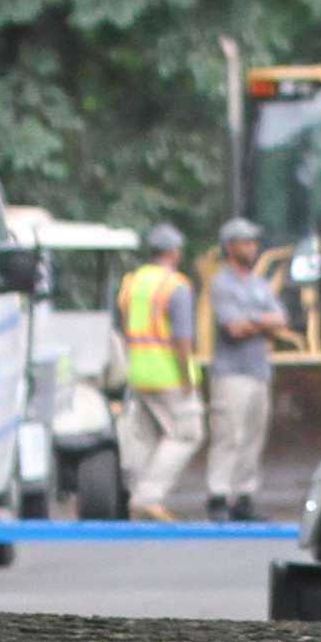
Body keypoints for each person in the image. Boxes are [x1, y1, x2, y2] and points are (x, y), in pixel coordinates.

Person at [113, 221, 205, 520]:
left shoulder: (132, 282)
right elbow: (182, 338)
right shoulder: (175, 286)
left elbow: (122, 326)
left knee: (147, 436)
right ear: (174, 252)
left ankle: (138, 493)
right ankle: (148, 496)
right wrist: (187, 376)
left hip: (138, 370)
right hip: (168, 373)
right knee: (187, 434)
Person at [200, 216, 282, 522]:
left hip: (259, 370)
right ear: (230, 246)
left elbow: (281, 320)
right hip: (232, 372)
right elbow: (232, 327)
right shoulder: (222, 283)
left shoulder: (259, 283)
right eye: (246, 242)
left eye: (253, 242)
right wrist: (263, 321)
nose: (253, 247)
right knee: (228, 434)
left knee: (253, 435)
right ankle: (218, 495)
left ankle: (244, 495)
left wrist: (255, 321)